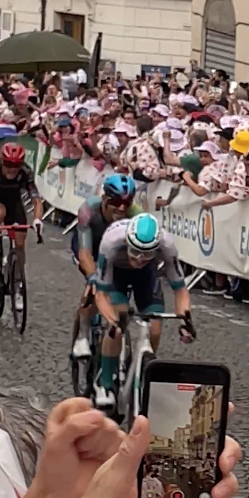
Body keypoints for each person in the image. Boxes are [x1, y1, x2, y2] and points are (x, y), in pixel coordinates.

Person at [92, 213, 193, 411]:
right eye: (135, 251)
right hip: (116, 275)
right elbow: (101, 294)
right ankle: (104, 384)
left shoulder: (167, 245)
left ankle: (142, 370)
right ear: (127, 242)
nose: (139, 258)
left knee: (154, 327)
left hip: (147, 276)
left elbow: (180, 289)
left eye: (147, 254)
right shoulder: (111, 242)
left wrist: (185, 321)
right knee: (119, 322)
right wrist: (111, 321)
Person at [71, 171, 140, 360]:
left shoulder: (136, 215)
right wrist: (94, 277)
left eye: (126, 203)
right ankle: (82, 336)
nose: (120, 208)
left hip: (114, 251)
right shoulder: (88, 211)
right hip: (89, 245)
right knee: (94, 285)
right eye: (115, 202)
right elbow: (85, 254)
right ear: (104, 199)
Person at [0, 141, 43, 280]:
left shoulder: (26, 171)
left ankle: (17, 278)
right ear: (2, 162)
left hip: (14, 201)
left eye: (16, 165)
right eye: (8, 164)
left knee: (20, 243)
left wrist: (38, 219)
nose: (12, 169)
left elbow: (36, 199)